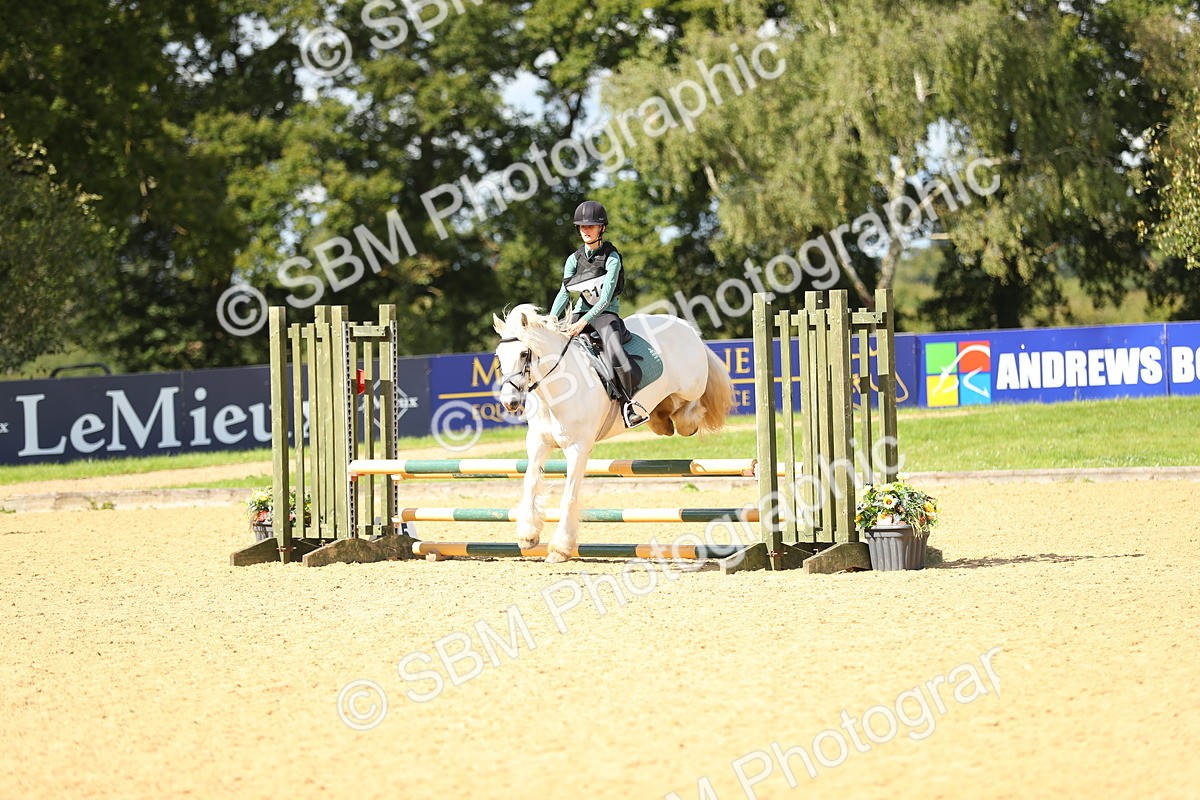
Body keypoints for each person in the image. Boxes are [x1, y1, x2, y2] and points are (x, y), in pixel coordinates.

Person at [550, 199, 649, 428]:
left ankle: (628, 404)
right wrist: (550, 320)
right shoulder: (573, 259)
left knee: (615, 352)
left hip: (605, 314)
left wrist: (583, 322)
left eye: (591, 226)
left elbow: (605, 299)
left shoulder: (612, 257)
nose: (585, 230)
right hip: (580, 311)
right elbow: (564, 293)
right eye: (582, 226)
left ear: (601, 228)